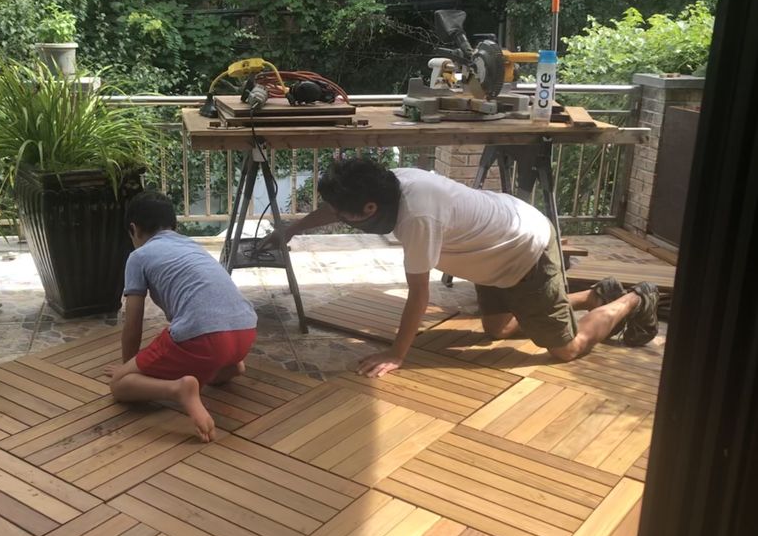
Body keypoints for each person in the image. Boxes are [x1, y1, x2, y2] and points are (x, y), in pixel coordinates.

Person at [265, 158, 659, 377]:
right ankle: (594, 295)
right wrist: (293, 229)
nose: (337, 216)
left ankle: (631, 301)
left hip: (524, 249)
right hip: (493, 250)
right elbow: (332, 209)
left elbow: (418, 297)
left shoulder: (417, 217)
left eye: (343, 214)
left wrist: (397, 354)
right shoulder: (389, 184)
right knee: (498, 329)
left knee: (564, 349)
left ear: (370, 209)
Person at [107, 191, 258, 442]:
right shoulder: (191, 245)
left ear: (133, 229)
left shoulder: (138, 257)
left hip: (204, 337)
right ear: (174, 226)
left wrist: (129, 370)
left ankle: (178, 390)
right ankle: (230, 367)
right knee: (209, 354)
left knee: (120, 387)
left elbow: (133, 322)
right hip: (244, 333)